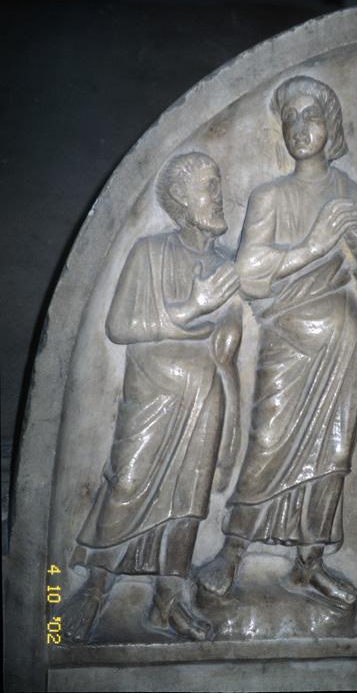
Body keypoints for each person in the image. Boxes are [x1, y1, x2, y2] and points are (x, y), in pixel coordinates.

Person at [198, 75, 357, 609]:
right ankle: (233, 551)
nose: (299, 128)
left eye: (311, 116)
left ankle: (310, 563)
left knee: (333, 453)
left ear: (330, 126)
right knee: (269, 441)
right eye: (291, 119)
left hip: (343, 336)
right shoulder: (270, 196)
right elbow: (250, 273)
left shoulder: (348, 191)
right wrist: (313, 246)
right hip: (289, 336)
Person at [62, 152, 241, 642]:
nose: (218, 195)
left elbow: (228, 353)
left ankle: (167, 601)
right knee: (127, 484)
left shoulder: (228, 266)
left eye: (218, 183)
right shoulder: (149, 252)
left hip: (205, 400)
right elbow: (119, 326)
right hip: (151, 398)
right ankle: (96, 589)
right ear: (181, 200)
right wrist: (190, 309)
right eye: (208, 186)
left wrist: (233, 431)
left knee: (188, 504)